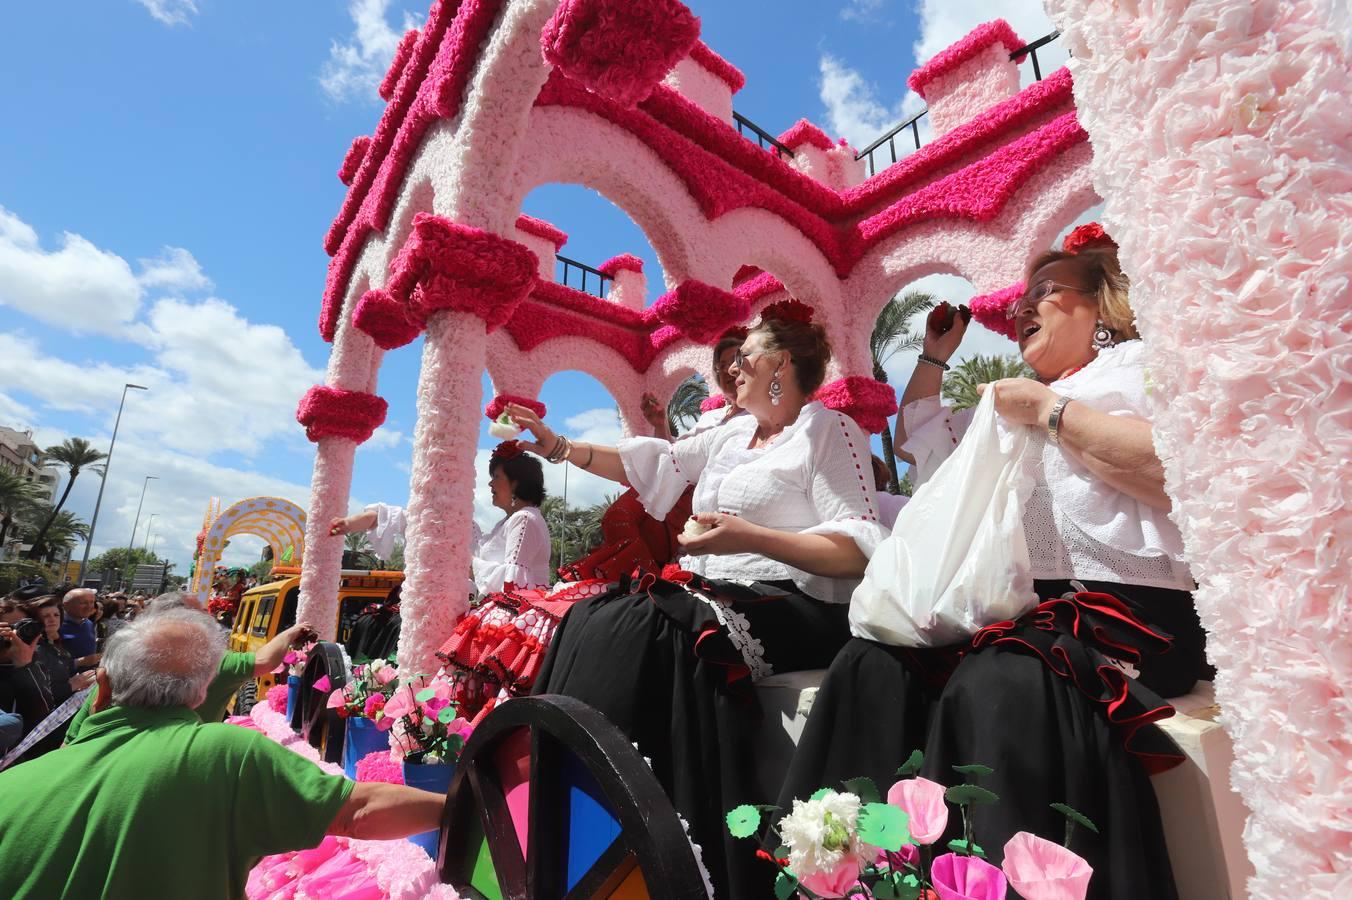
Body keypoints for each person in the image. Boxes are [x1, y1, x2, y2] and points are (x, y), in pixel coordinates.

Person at [782, 226, 1200, 899]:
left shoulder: (1140, 369)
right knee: (874, 662)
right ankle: (845, 875)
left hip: (1138, 617)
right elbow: (922, 431)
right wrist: (936, 354)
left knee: (996, 679)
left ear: (1104, 304)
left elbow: (1179, 473)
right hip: (1043, 622)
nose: (1023, 308)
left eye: (1046, 292)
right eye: (1020, 300)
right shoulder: (1013, 407)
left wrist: (1051, 411)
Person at [517, 300, 888, 896]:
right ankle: (563, 828)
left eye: (744, 356)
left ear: (781, 364)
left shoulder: (828, 429)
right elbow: (655, 463)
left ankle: (650, 850)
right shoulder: (731, 433)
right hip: (712, 591)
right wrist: (558, 446)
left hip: (795, 598)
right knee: (591, 614)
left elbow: (856, 547)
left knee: (648, 627)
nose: (732, 369)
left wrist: (750, 535)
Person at [0, 609, 445, 899]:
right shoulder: (223, 754)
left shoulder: (10, 786)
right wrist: (473, 804)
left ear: (103, 687)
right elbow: (359, 811)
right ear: (200, 693)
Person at [64, 592, 314, 740]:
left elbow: (71, 741)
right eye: (203, 613)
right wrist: (290, 634)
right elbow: (263, 662)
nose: (210, 617)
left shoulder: (120, 659)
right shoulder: (215, 660)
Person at [330, 442, 552, 597]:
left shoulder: (524, 519)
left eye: (496, 477)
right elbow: (411, 519)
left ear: (516, 483)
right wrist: (354, 522)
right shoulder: (498, 524)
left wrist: (466, 561)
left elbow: (514, 583)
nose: (490, 485)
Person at [641, 327, 749, 439]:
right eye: (721, 366)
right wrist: (660, 425)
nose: (728, 370)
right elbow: (677, 452)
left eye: (735, 361)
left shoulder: (761, 415)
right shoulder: (709, 418)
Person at [0, 615, 57, 763]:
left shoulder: (34, 666)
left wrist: (24, 664)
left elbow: (43, 710)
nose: (14, 636)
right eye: (8, 628)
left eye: (21, 630)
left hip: (16, 756)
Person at [24, 595, 95, 706]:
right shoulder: (33, 650)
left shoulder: (52, 642)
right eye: (46, 616)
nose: (53, 619)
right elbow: (35, 696)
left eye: (56, 615)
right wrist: (72, 685)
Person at [57, 588, 100, 669]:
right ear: (66, 605)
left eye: (92, 602)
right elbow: (49, 663)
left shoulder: (89, 623)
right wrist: (79, 662)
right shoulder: (55, 625)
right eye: (83, 603)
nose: (89, 607)